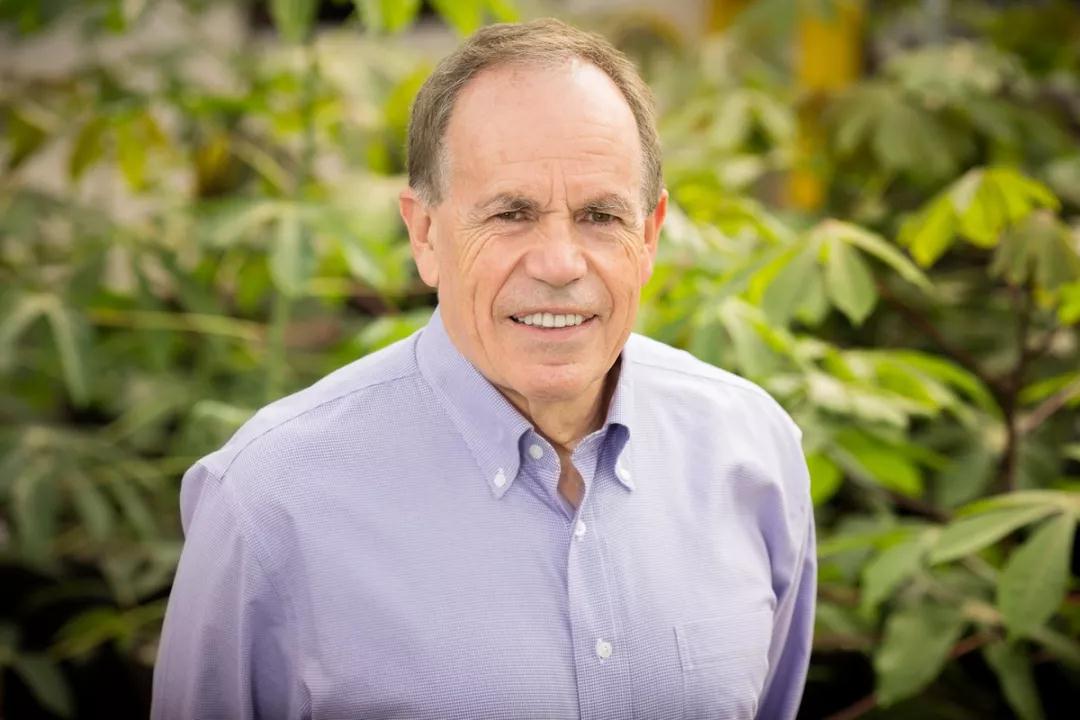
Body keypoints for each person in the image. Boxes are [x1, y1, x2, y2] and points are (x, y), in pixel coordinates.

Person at [152, 18, 815, 720]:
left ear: (649, 236)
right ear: (424, 233)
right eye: (511, 214)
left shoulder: (753, 450)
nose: (560, 264)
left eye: (599, 215)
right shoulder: (269, 499)